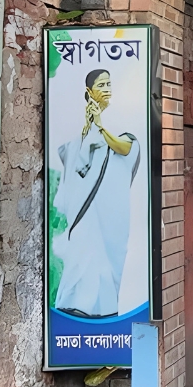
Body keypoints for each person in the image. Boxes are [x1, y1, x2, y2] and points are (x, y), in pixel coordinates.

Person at [53, 69, 141, 318]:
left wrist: (100, 129)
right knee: (83, 256)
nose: (107, 88)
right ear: (88, 92)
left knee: (107, 262)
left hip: (113, 215)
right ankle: (75, 308)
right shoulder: (80, 127)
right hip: (87, 214)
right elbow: (74, 163)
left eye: (109, 83)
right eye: (101, 85)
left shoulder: (123, 121)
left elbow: (126, 148)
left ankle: (105, 312)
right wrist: (87, 130)